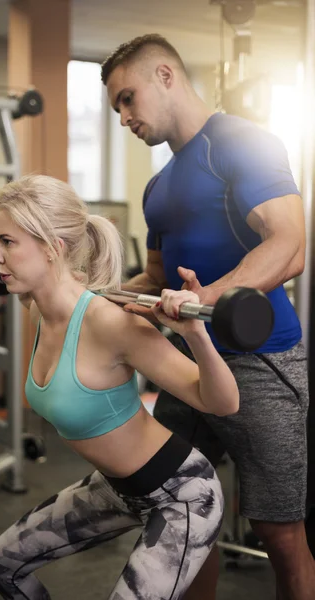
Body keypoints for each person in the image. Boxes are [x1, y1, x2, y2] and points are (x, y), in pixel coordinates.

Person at [101, 33, 313, 600]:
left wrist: (207, 296)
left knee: (280, 531)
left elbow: (290, 243)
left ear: (166, 76)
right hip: (191, 365)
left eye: (127, 98)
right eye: (115, 107)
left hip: (261, 365)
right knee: (178, 512)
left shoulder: (243, 143)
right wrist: (95, 296)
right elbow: (155, 278)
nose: (123, 117)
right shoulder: (158, 187)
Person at [0, 174, 239, 599]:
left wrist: (195, 334)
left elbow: (224, 402)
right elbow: (64, 280)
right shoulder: (39, 308)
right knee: (2, 563)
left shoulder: (111, 323)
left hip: (182, 495)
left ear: (51, 247)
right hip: (116, 489)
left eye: (7, 242)